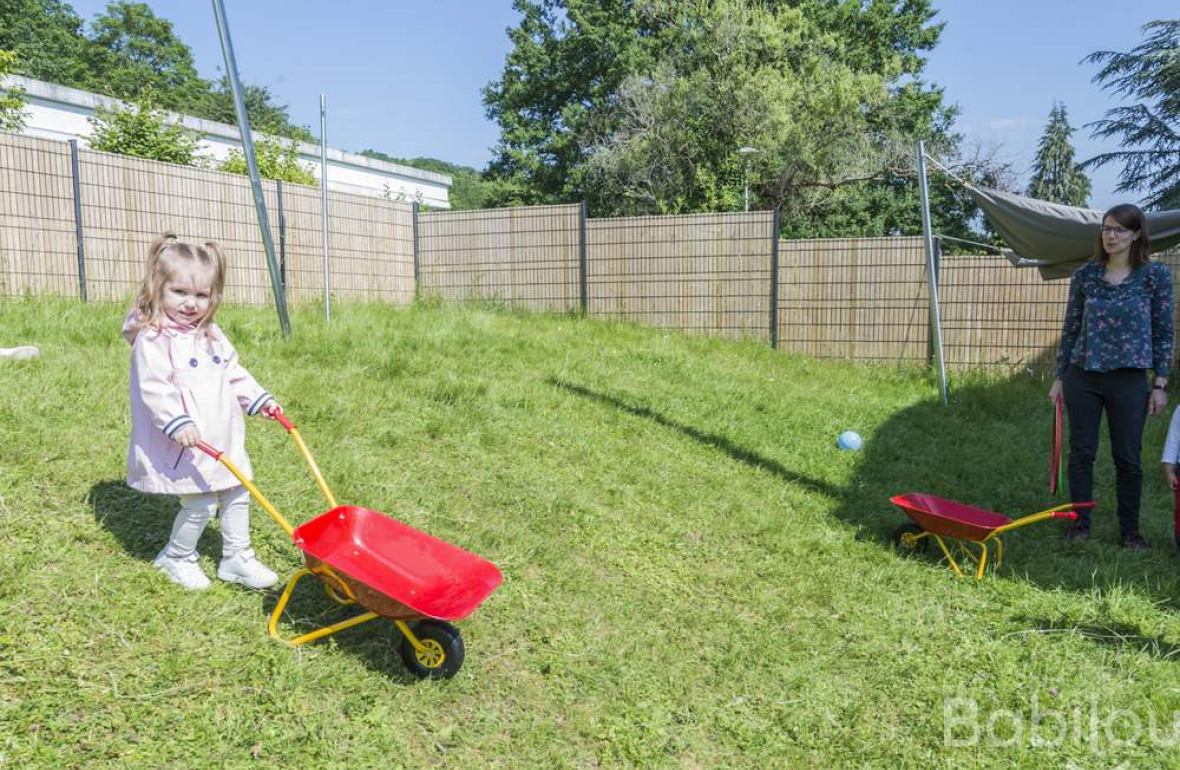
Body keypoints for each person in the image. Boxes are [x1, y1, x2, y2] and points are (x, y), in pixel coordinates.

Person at [125, 233, 282, 590]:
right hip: (185, 441)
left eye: (201, 295)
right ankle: (176, 557)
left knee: (238, 492)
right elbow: (155, 388)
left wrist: (259, 399)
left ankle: (237, 558)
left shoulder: (211, 334)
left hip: (221, 435)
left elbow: (233, 372)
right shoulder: (154, 339)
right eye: (180, 292)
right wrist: (176, 422)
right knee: (201, 503)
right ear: (157, 288)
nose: (191, 303)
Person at [1048, 203, 1173, 549]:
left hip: (1129, 380)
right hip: (1082, 376)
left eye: (1119, 229)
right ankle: (1079, 524)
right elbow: (1070, 328)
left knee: (1128, 457)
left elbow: (1164, 332)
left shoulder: (1155, 277)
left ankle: (1130, 532)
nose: (1111, 235)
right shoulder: (1085, 275)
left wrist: (1160, 382)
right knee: (1081, 453)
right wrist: (1060, 376)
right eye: (1106, 228)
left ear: (1136, 234)